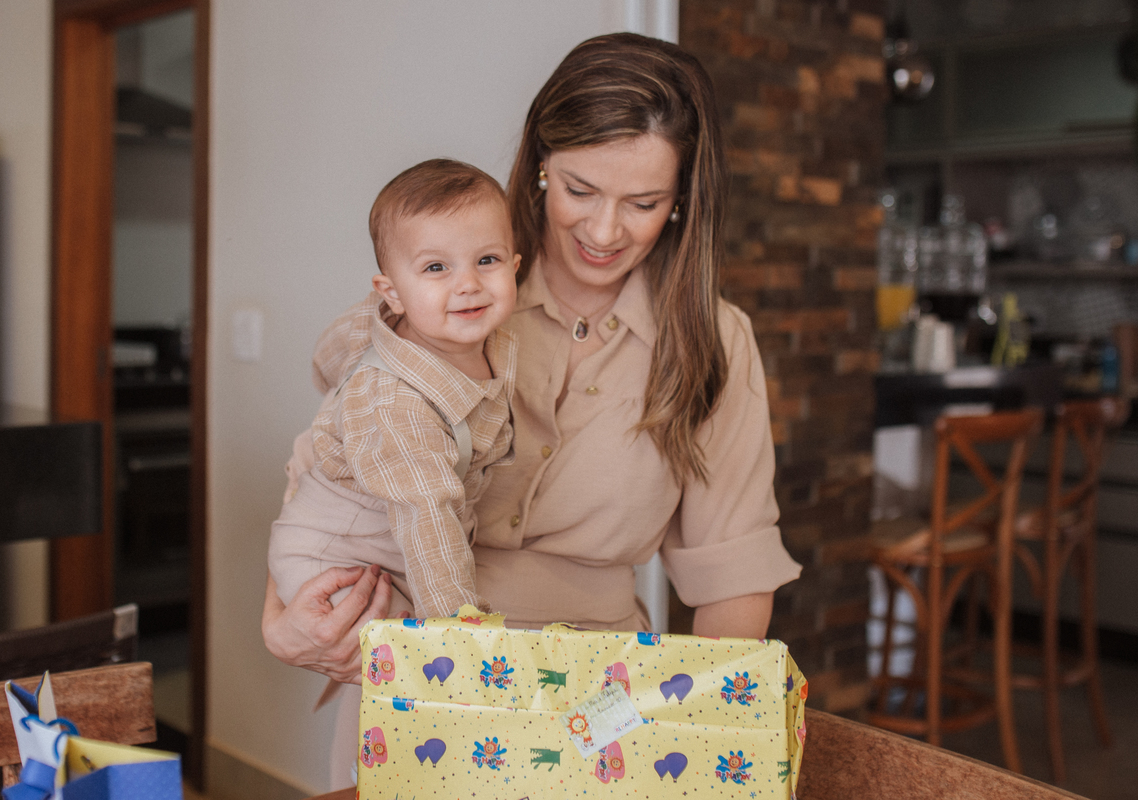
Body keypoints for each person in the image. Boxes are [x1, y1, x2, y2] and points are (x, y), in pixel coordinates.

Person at [262, 32, 801, 789]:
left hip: (599, 702)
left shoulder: (715, 342)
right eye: (581, 190)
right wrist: (280, 622)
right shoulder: (451, 289)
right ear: (542, 162)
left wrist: (703, 742)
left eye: (643, 203)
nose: (606, 231)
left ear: (682, 200)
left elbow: (733, 578)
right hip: (418, 681)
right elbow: (328, 474)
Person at [268, 158, 520, 626]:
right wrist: (461, 628)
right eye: (436, 267)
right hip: (335, 558)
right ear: (393, 293)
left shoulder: (493, 341)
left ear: (514, 265)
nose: (468, 284)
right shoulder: (394, 403)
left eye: (488, 260)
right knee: (422, 666)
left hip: (402, 552)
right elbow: (425, 515)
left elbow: (330, 352)